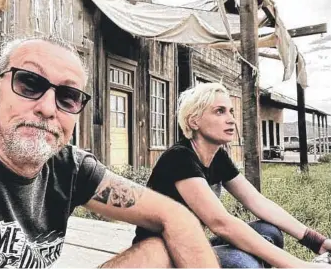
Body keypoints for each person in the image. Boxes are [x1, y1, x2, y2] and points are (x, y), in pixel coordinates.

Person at [0, 36, 220, 268]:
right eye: (29, 83)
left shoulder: (69, 168)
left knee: (157, 251)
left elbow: (176, 216)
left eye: (68, 96)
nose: (48, 108)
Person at [133, 82, 331, 268]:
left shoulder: (217, 156)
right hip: (160, 258)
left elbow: (258, 202)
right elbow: (221, 224)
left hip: (190, 247)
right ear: (194, 121)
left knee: (269, 232)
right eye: (219, 111)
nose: (231, 119)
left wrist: (316, 242)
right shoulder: (179, 158)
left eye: (231, 111)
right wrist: (299, 265)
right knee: (242, 263)